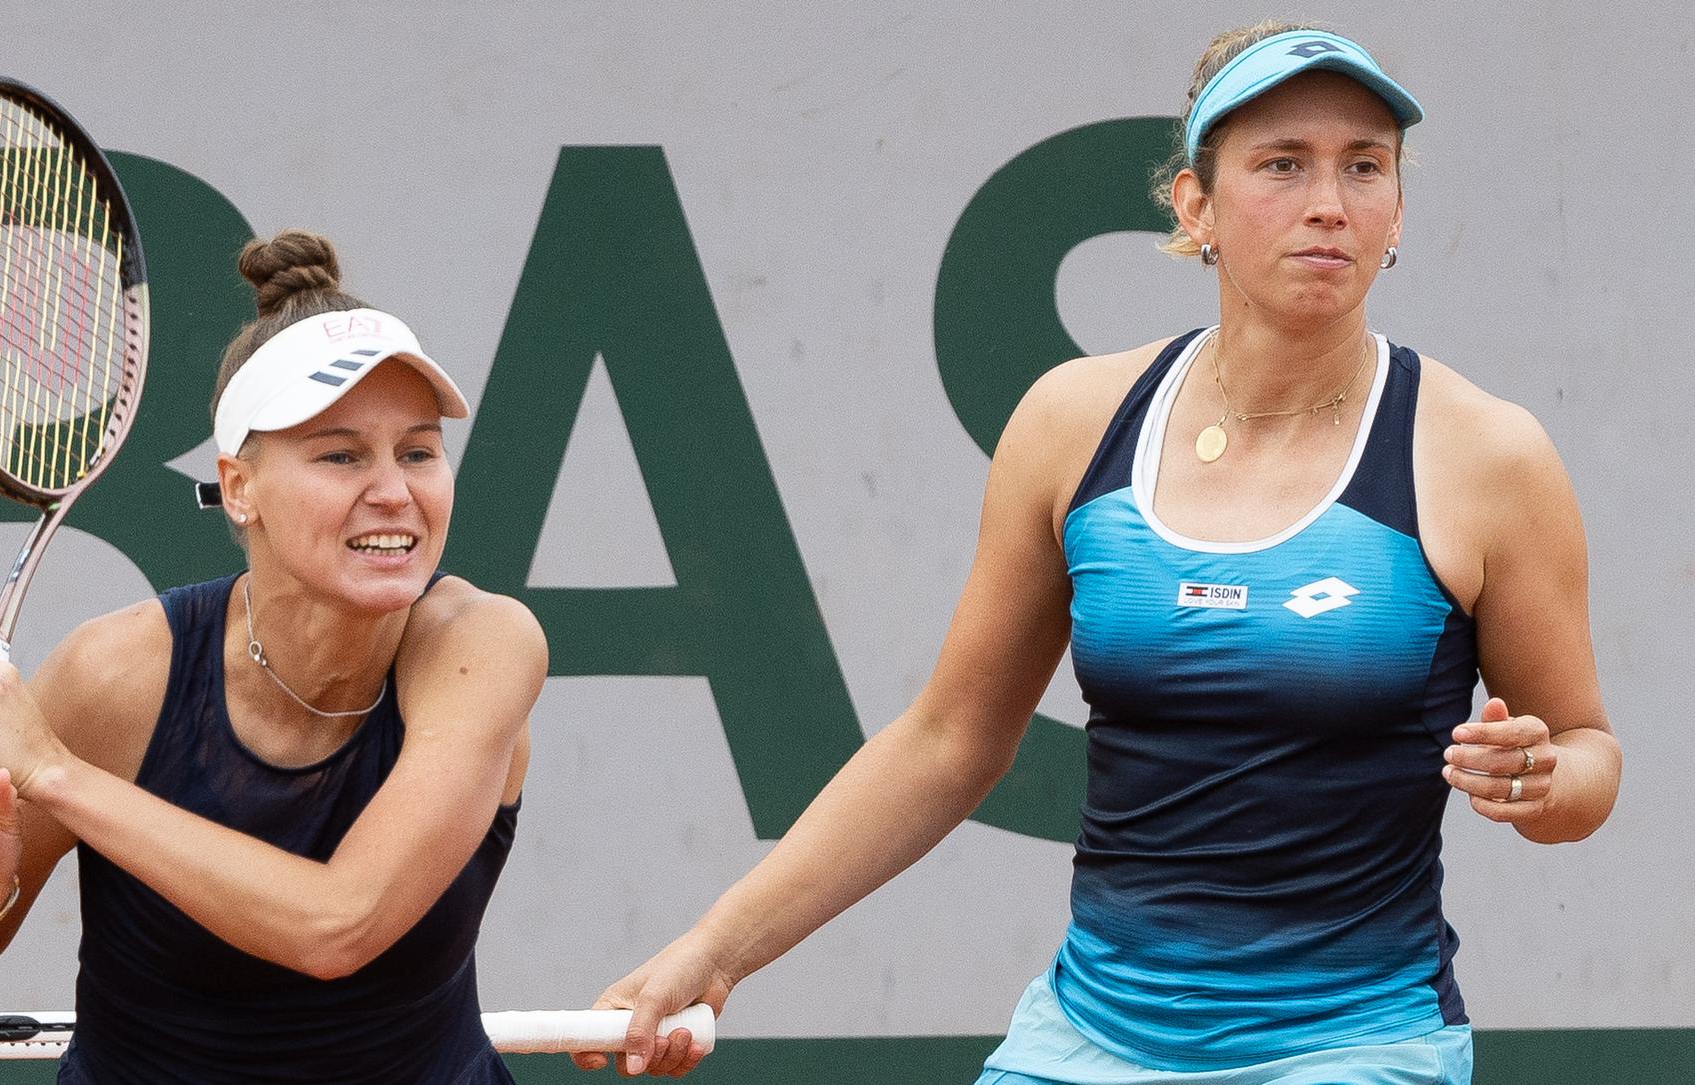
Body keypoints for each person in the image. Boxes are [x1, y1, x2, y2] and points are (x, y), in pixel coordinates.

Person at [575, 21, 1622, 1085]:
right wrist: (713, 949)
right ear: (1195, 207)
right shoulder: (1073, 423)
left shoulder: (1489, 454)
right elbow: (948, 740)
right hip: (1082, 1043)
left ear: (1397, 209)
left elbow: (1587, 750)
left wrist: (1543, 779)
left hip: (1358, 1048)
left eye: (1365, 166)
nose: (1329, 202)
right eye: (1282, 164)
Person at [0, 230, 547, 1083]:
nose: (394, 489)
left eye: (417, 450)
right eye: (341, 453)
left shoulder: (482, 645)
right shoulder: (119, 674)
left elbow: (336, 924)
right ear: (240, 486)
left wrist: (53, 774)